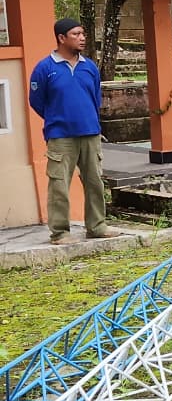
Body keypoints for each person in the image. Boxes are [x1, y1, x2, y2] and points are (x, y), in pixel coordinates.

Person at [28, 18, 121, 245]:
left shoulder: (89, 67)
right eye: (76, 34)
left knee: (95, 181)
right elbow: (37, 101)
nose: (82, 38)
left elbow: (95, 98)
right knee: (59, 184)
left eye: (83, 33)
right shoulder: (45, 68)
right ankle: (60, 232)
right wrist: (58, 119)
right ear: (61, 38)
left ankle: (97, 226)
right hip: (60, 137)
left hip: (90, 133)